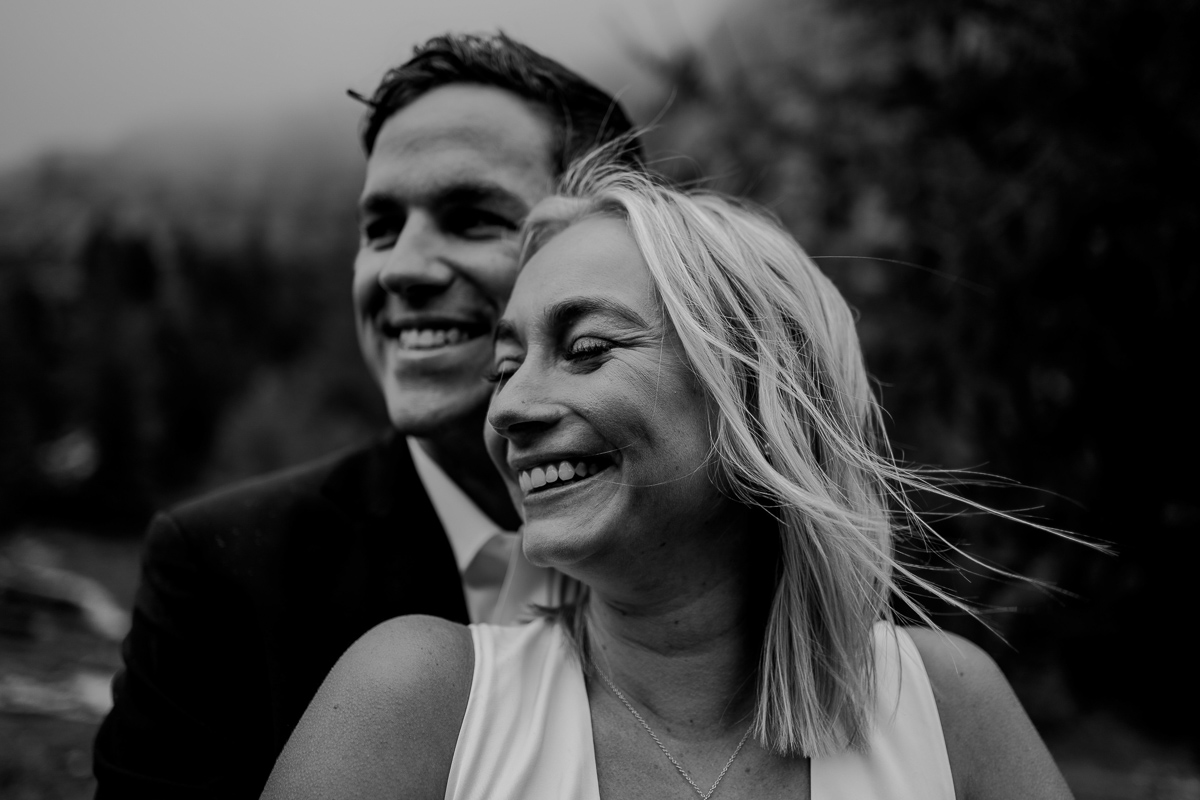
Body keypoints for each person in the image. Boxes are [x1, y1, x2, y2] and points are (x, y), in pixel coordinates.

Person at [263, 161, 1076, 800]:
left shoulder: (946, 709)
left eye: (585, 349)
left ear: (755, 393)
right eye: (503, 369)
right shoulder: (418, 702)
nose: (509, 408)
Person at [92, 34, 641, 799]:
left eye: (472, 216)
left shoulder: (776, 559)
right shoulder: (222, 570)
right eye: (380, 228)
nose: (403, 269)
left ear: (609, 243)